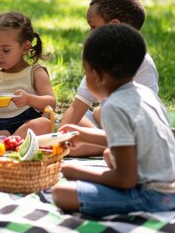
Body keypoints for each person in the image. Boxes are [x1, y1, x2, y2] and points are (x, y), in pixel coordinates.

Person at [52, 24, 175, 217]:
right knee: (110, 155)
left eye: (86, 71)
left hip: (154, 195)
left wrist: (75, 171)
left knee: (61, 193)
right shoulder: (145, 94)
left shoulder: (114, 106)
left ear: (97, 75)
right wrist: (83, 135)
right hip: (169, 184)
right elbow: (132, 138)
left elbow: (126, 180)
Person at [58, 0, 158, 156]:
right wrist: (58, 139)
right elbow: (78, 106)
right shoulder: (100, 57)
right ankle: (100, 127)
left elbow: (143, 122)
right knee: (69, 125)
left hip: (132, 134)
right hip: (110, 123)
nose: (89, 33)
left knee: (71, 147)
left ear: (113, 26)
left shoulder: (143, 66)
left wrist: (65, 147)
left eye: (93, 26)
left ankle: (104, 142)